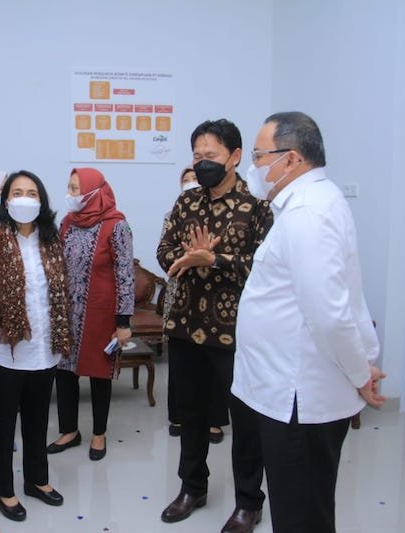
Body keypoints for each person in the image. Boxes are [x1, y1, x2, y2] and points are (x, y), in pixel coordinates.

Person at [232, 111, 386, 533]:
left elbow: (330, 314)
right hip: (288, 390)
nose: (254, 167)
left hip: (299, 398)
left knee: (301, 517)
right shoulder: (307, 205)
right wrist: (362, 361)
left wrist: (360, 374)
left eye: (259, 155)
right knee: (302, 509)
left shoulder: (308, 214)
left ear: (291, 158)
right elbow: (338, 298)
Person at [157, 119, 273, 532]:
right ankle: (193, 488)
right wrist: (186, 258)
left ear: (235, 157)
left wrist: (215, 259)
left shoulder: (257, 207)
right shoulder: (186, 203)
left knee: (245, 420)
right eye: (197, 156)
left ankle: (248, 502)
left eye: (211, 156)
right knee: (189, 415)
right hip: (186, 325)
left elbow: (265, 266)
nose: (202, 163)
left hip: (236, 332)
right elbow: (164, 249)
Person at [0, 170, 70, 522]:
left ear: (42, 201)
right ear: (6, 201)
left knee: (38, 422)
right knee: (2, 425)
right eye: (17, 192)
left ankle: (37, 480)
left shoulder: (51, 242)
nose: (25, 198)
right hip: (2, 354)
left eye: (32, 193)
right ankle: (3, 488)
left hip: (43, 352)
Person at [47, 168, 134, 461]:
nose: (70, 194)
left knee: (99, 373)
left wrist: (123, 322)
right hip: (66, 312)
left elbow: (125, 275)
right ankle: (69, 430)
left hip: (100, 314)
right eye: (69, 187)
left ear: (93, 192)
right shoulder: (67, 223)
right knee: (64, 373)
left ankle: (99, 434)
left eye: (75, 189)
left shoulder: (116, 225)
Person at [160, 167, 228, 442]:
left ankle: (214, 420)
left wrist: (209, 257)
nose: (190, 184)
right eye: (185, 180)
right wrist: (189, 256)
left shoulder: (225, 215)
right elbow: (165, 251)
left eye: (194, 179)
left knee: (214, 362)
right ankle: (178, 415)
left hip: (216, 298)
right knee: (181, 361)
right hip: (181, 291)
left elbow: (228, 254)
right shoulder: (173, 214)